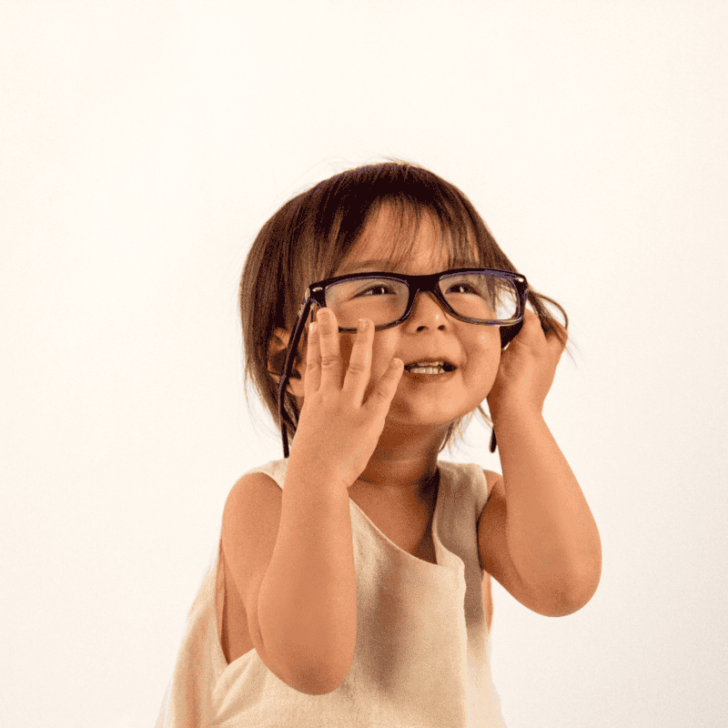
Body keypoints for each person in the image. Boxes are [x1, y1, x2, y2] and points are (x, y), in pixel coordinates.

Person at [155, 160, 602, 727]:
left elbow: (565, 586)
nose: (434, 316)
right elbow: (312, 664)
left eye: (463, 285)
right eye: (380, 288)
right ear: (288, 361)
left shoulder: (475, 505)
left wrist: (518, 411)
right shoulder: (268, 498)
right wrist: (318, 469)